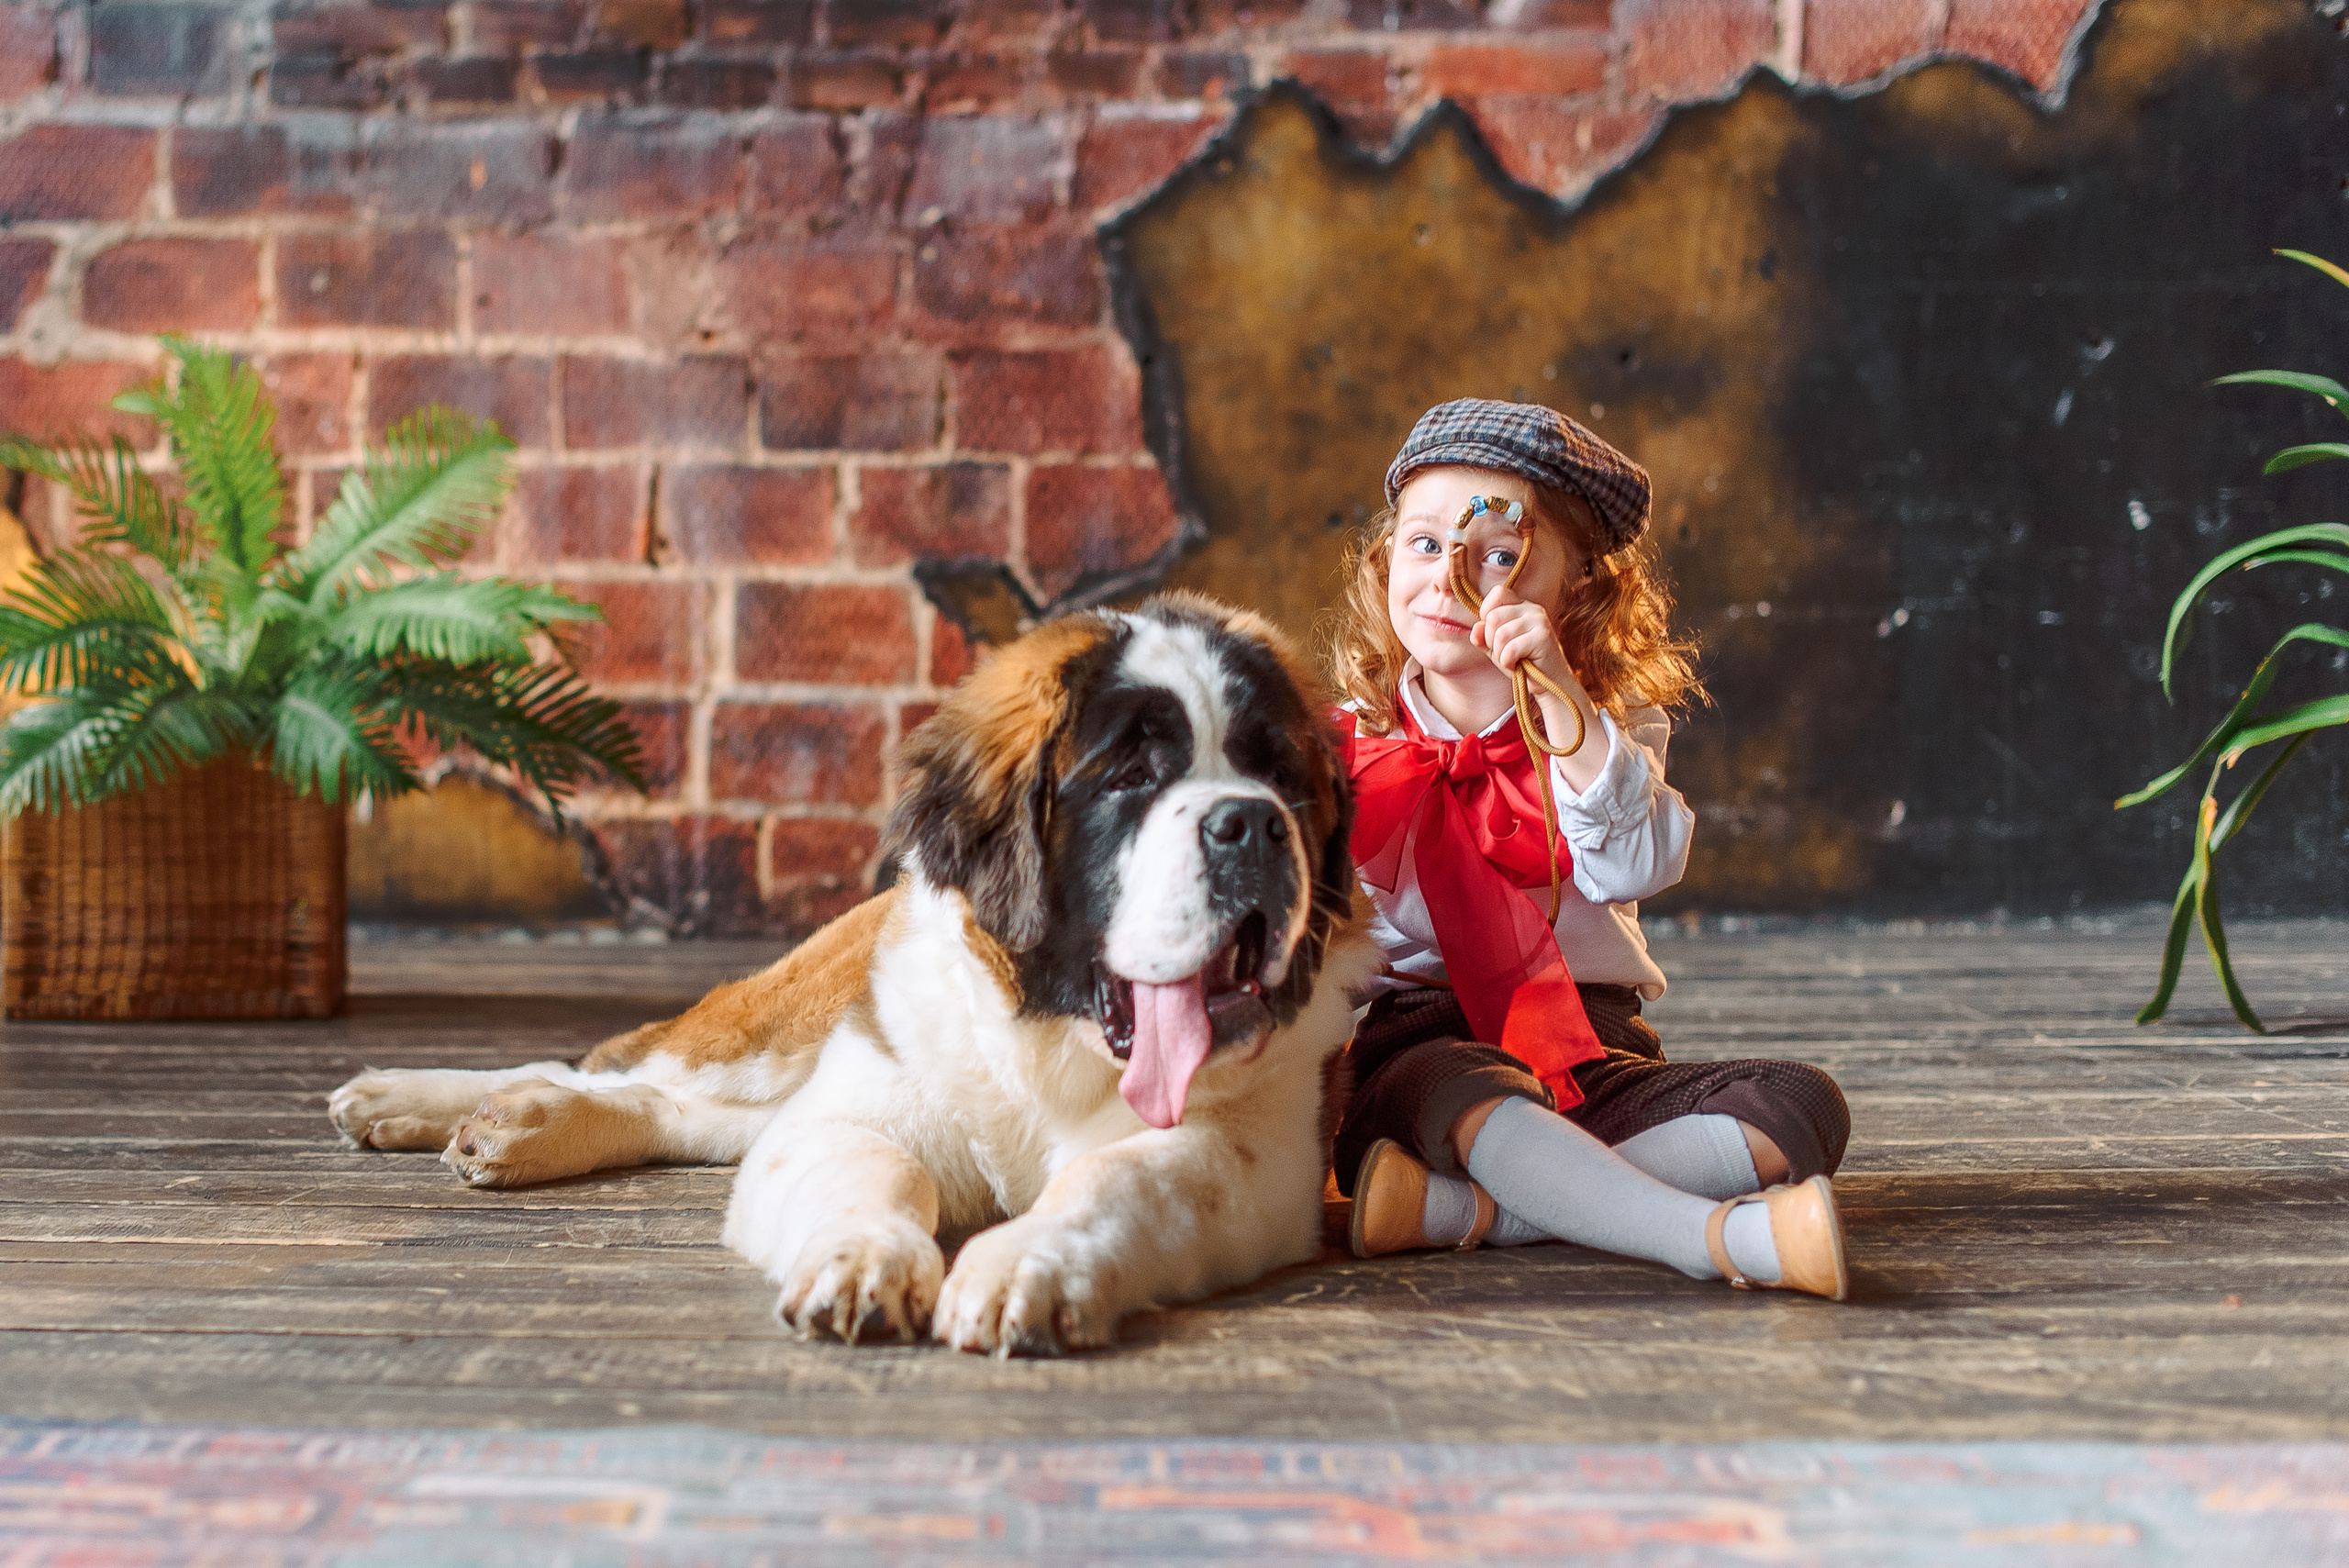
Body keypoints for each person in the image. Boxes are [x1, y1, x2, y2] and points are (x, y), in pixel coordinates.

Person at [1326, 397, 1853, 1299]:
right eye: (1423, 545)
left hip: (1585, 1042)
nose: (1452, 579)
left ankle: (1464, 1214)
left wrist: (1561, 700)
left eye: (1500, 556)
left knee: (1800, 1106)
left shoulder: (1607, 733)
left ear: (1575, 591)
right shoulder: (1341, 746)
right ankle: (1708, 1238)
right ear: (1382, 568)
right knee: (1463, 1086)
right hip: (1421, 1049)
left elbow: (1635, 864)